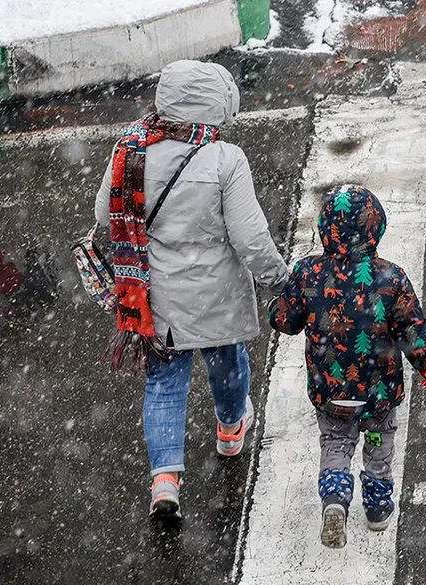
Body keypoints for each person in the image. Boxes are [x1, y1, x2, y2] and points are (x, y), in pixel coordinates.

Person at [94, 60, 287, 518]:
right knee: (228, 365)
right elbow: (249, 236)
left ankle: (165, 481)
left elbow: (106, 215)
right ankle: (229, 431)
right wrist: (279, 279)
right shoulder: (225, 159)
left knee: (163, 384)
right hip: (217, 296)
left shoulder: (131, 150)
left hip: (156, 298)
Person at [269, 185, 426, 548]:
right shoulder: (391, 279)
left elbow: (285, 320)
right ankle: (377, 508)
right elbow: (412, 331)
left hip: (330, 392)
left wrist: (277, 306)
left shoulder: (308, 272)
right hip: (377, 396)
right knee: (379, 443)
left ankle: (335, 499)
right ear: (376, 227)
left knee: (335, 441)